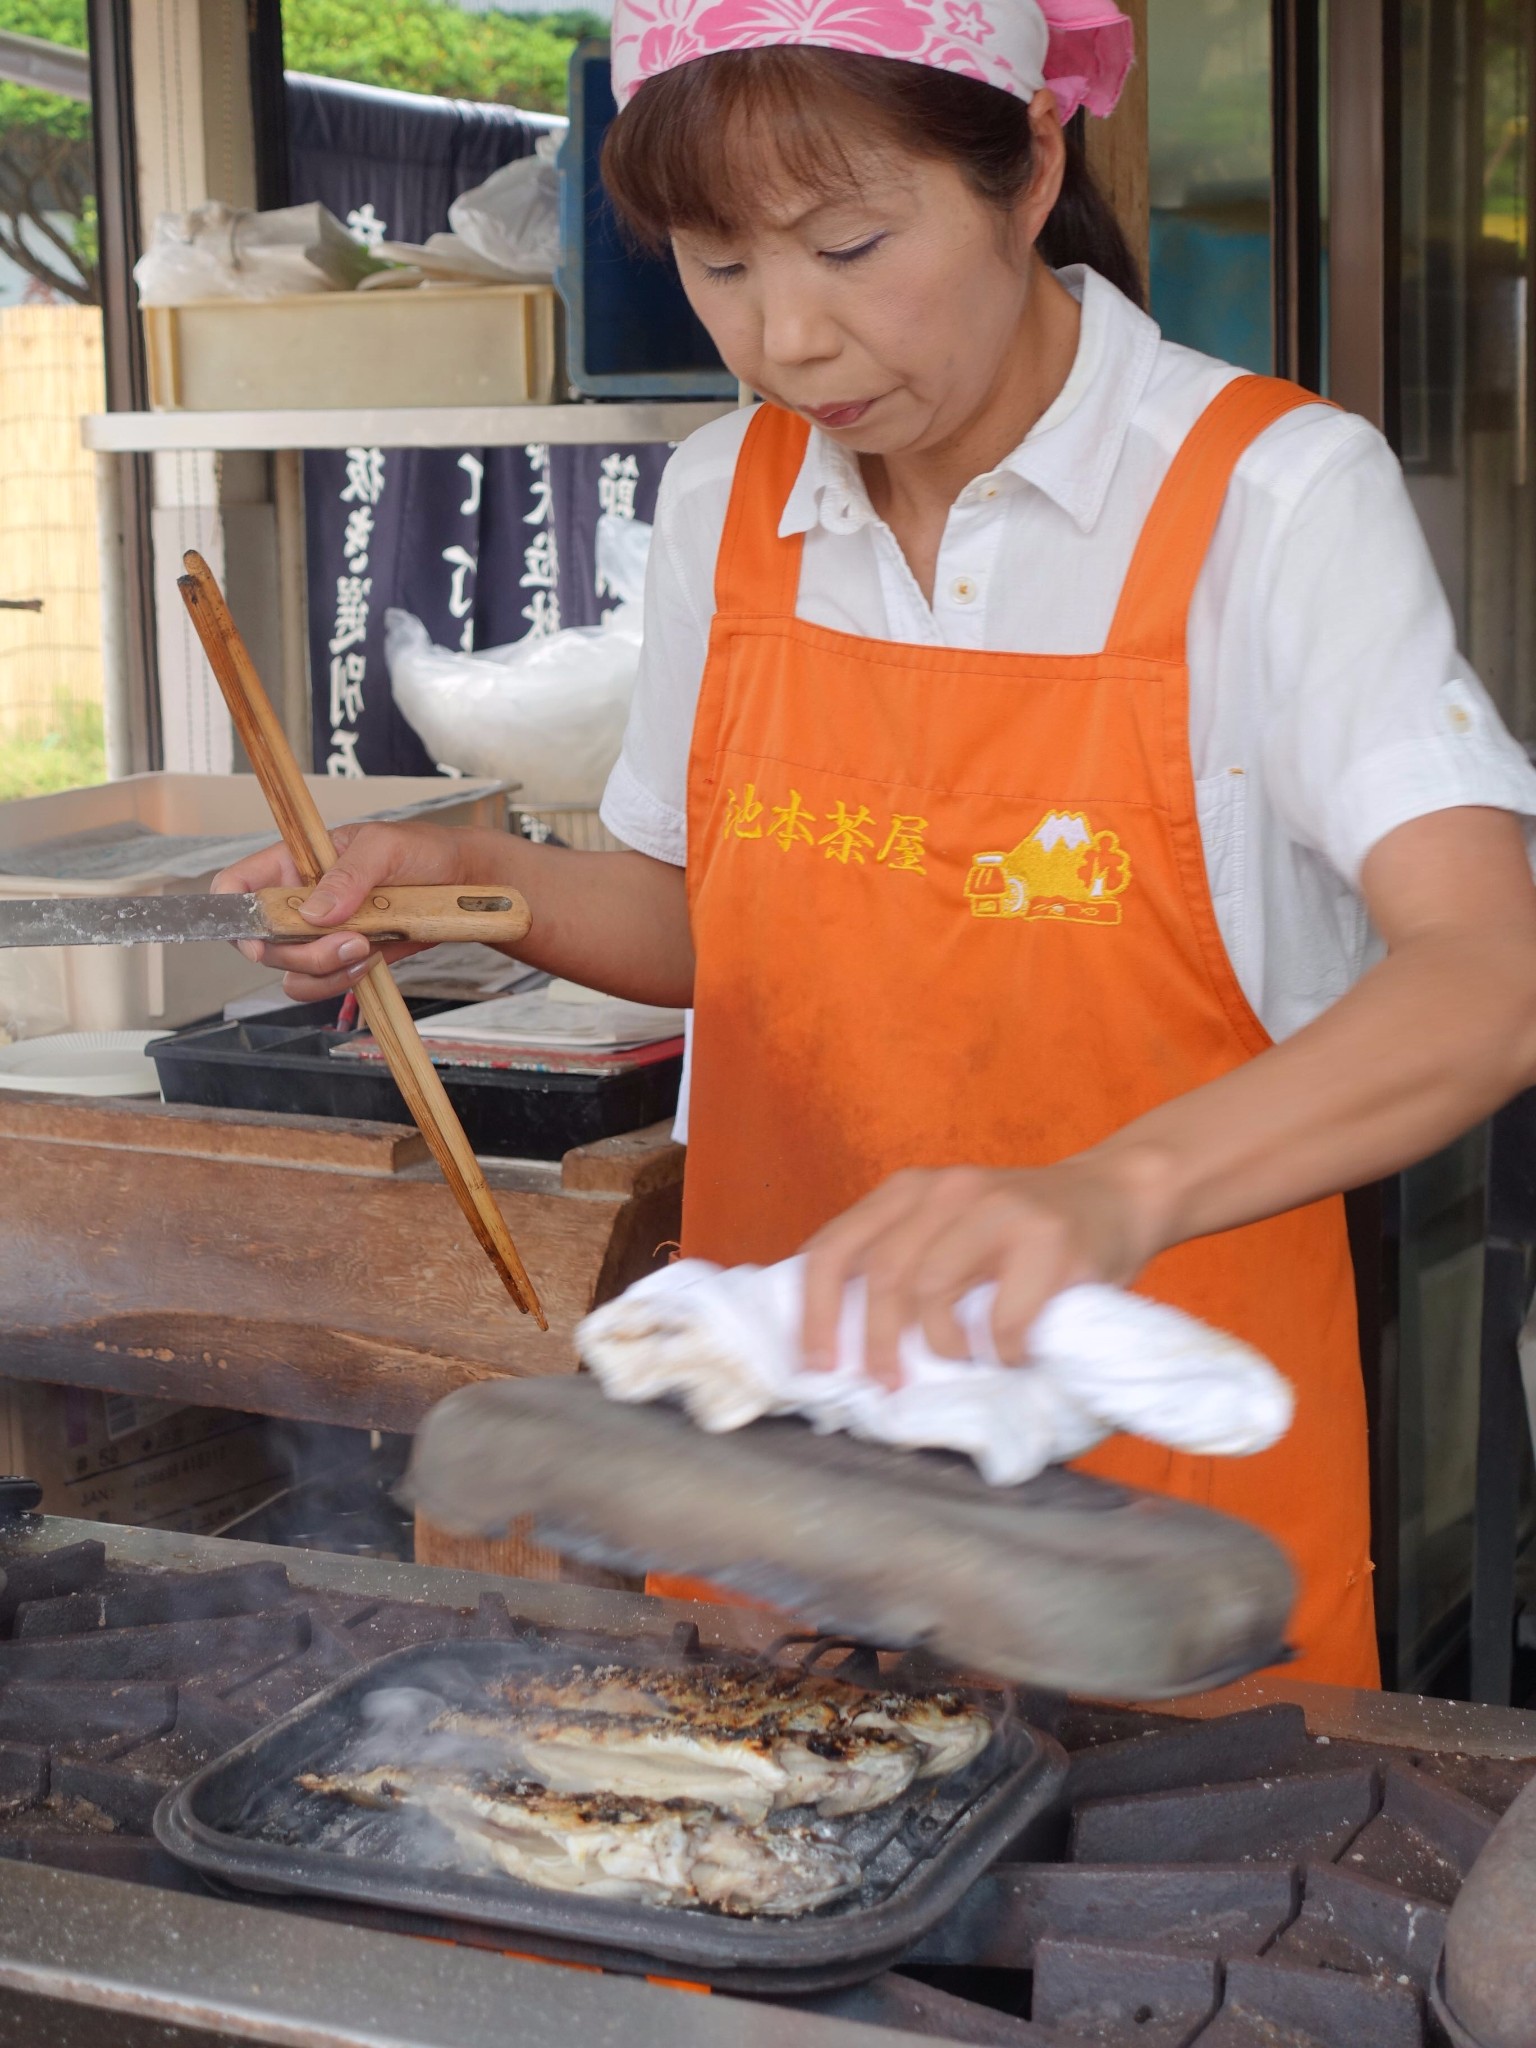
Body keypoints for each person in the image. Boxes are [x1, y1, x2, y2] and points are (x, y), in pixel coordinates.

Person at [217, 0, 1536, 1688]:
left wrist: (1109, 1193)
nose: (787, 342)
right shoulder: (727, 497)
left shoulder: (1270, 497)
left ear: (1030, 164)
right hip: (790, 1470)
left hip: (1154, 1509)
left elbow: (1486, 970)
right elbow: (720, 924)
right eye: (718, 266)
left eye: (849, 245)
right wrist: (476, 889)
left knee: (1169, 1927)